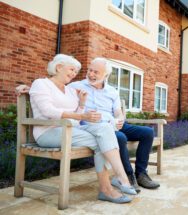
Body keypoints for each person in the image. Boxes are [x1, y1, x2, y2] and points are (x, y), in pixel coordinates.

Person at [16, 57, 160, 193]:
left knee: (147, 132)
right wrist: (29, 88)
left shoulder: (112, 91)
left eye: (95, 72)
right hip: (92, 125)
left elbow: (118, 112)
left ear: (106, 75)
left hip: (112, 124)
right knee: (118, 137)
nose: (90, 74)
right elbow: (52, 87)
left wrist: (120, 119)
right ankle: (127, 176)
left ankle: (141, 173)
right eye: (89, 70)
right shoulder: (76, 86)